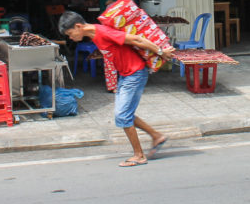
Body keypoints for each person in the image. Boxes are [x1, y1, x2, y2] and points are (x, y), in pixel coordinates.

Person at [59, 10, 174, 167]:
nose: (70, 38)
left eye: (70, 33)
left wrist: (161, 52)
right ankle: (156, 136)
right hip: (126, 75)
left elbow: (136, 39)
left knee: (122, 115)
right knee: (125, 114)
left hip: (134, 74)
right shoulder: (94, 35)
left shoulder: (103, 32)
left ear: (78, 26)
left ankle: (139, 155)